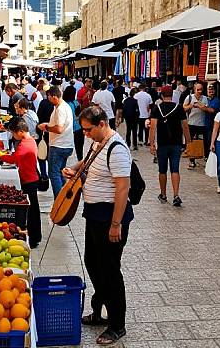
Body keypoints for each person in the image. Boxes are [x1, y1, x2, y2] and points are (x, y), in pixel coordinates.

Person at [62, 106, 133, 345]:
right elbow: (88, 162)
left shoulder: (117, 148)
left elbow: (123, 189)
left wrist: (116, 224)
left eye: (88, 129)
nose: (86, 134)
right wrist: (74, 168)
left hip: (110, 217)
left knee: (110, 270)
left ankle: (117, 325)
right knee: (93, 263)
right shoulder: (98, 143)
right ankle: (99, 310)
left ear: (102, 123)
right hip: (94, 214)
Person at [0, 117, 42, 248]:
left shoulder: (25, 144)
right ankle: (35, 235)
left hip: (29, 180)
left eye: (13, 133)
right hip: (31, 178)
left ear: (20, 132)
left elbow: (14, 159)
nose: (12, 136)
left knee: (32, 210)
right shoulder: (30, 141)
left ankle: (34, 238)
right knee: (33, 209)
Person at [149, 85, 191, 207]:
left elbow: (153, 127)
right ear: (172, 95)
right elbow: (185, 126)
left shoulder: (157, 108)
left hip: (162, 144)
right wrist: (188, 142)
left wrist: (151, 144)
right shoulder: (179, 108)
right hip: (176, 143)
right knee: (175, 169)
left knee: (162, 170)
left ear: (161, 95)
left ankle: (163, 194)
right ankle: (176, 195)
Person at [38, 86, 74, 198]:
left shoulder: (61, 109)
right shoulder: (60, 107)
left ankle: (59, 201)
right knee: (60, 173)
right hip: (64, 144)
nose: (47, 98)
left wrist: (46, 128)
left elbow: (59, 129)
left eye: (48, 96)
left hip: (59, 146)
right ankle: (63, 199)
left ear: (54, 96)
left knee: (53, 174)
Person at [183, 82, 208, 169]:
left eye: (201, 89)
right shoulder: (189, 97)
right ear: (194, 90)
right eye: (198, 90)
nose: (200, 91)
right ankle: (191, 160)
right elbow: (184, 108)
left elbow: (207, 109)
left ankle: (201, 155)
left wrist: (201, 106)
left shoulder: (205, 98)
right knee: (191, 142)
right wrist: (191, 106)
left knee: (201, 141)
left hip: (202, 124)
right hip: (191, 123)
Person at [35, 86, 54, 182]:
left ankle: (44, 174)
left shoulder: (44, 103)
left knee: (42, 154)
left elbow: (39, 116)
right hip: (53, 133)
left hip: (43, 131)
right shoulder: (56, 105)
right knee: (49, 154)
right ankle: (50, 172)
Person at [63, 85, 84, 160]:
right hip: (78, 129)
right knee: (79, 150)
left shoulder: (63, 104)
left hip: (67, 130)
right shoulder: (76, 103)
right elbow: (79, 115)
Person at [204, 83, 220, 158]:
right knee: (205, 141)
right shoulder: (205, 99)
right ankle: (207, 156)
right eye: (209, 89)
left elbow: (212, 110)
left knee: (210, 141)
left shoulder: (216, 100)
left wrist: (201, 106)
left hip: (212, 125)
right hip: (205, 124)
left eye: (212, 89)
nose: (211, 91)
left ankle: (211, 156)